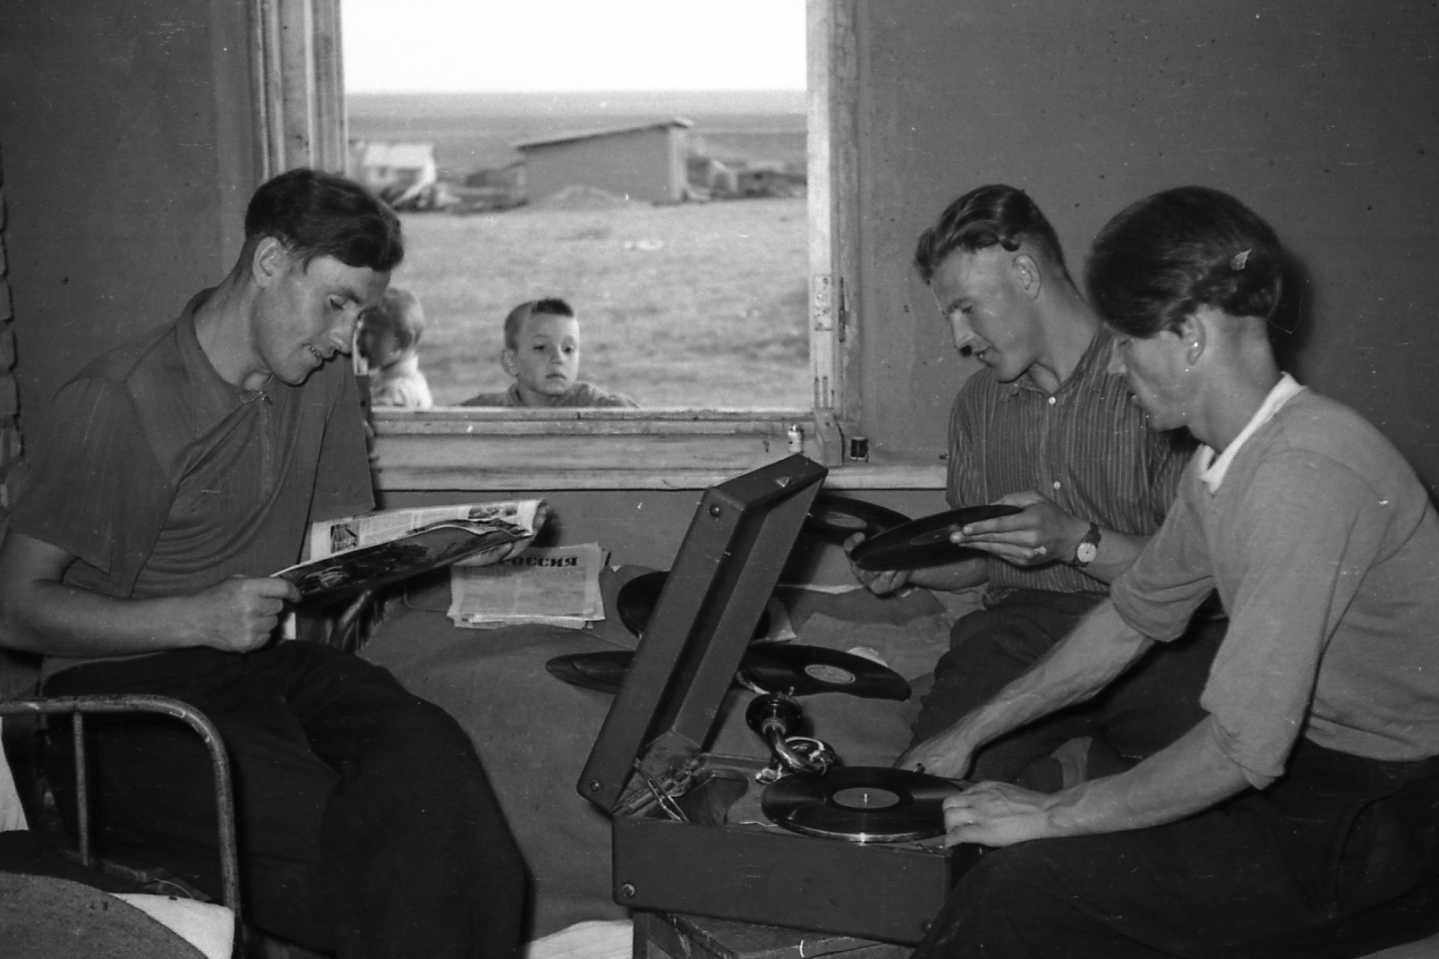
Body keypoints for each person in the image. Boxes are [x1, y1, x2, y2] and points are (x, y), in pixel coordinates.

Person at [0, 168, 526, 958]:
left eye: (361, 313)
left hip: (256, 664)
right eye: (336, 303)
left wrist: (449, 543)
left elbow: (338, 541)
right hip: (117, 701)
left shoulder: (318, 376)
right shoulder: (118, 401)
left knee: (431, 761)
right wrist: (196, 617)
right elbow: (14, 608)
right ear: (271, 261)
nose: (346, 338)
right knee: (354, 843)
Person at [906, 186, 1439, 957]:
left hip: (1387, 819)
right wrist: (969, 733)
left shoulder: (1303, 472)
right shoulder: (1223, 461)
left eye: (1126, 341)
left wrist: (1049, 813)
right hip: (1313, 776)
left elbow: (1240, 746)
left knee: (1021, 887)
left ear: (1188, 336)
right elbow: (1130, 618)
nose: (1116, 365)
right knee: (1031, 859)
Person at [859, 184, 1221, 789]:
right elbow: (984, 561)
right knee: (924, 797)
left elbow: (1199, 582)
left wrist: (1074, 540)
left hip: (1161, 638)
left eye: (966, 308)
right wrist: (915, 567)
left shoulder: (1154, 384)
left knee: (1211, 796)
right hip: (1018, 638)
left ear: (1025, 274)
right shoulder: (977, 406)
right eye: (949, 316)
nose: (959, 339)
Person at [460, 297, 637, 408]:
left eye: (568, 349)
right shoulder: (483, 411)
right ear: (510, 361)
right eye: (541, 348)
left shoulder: (602, 408)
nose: (558, 358)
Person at [358, 285, 434, 409]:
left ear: (403, 340)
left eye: (371, 333)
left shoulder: (397, 394)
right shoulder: (411, 380)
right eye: (361, 331)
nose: (359, 340)